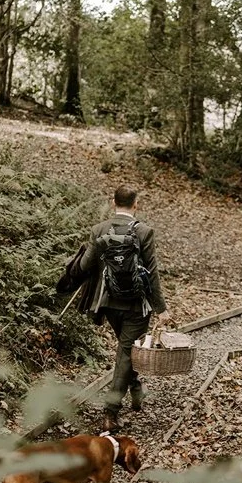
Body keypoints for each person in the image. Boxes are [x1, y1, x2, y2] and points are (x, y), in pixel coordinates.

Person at [77, 185, 172, 432]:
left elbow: (85, 266)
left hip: (108, 303)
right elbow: (151, 273)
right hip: (136, 306)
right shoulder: (144, 232)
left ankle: (136, 389)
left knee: (127, 352)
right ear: (135, 204)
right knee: (127, 353)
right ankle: (110, 413)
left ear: (113, 202)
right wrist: (161, 308)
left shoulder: (99, 230)